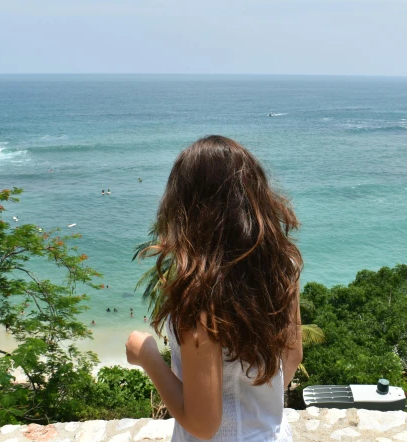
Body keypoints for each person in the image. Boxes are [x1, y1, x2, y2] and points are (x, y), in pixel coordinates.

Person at [126, 136, 302, 441]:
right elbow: (292, 357)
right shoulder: (281, 266)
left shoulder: (199, 294)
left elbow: (203, 425)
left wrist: (147, 356)